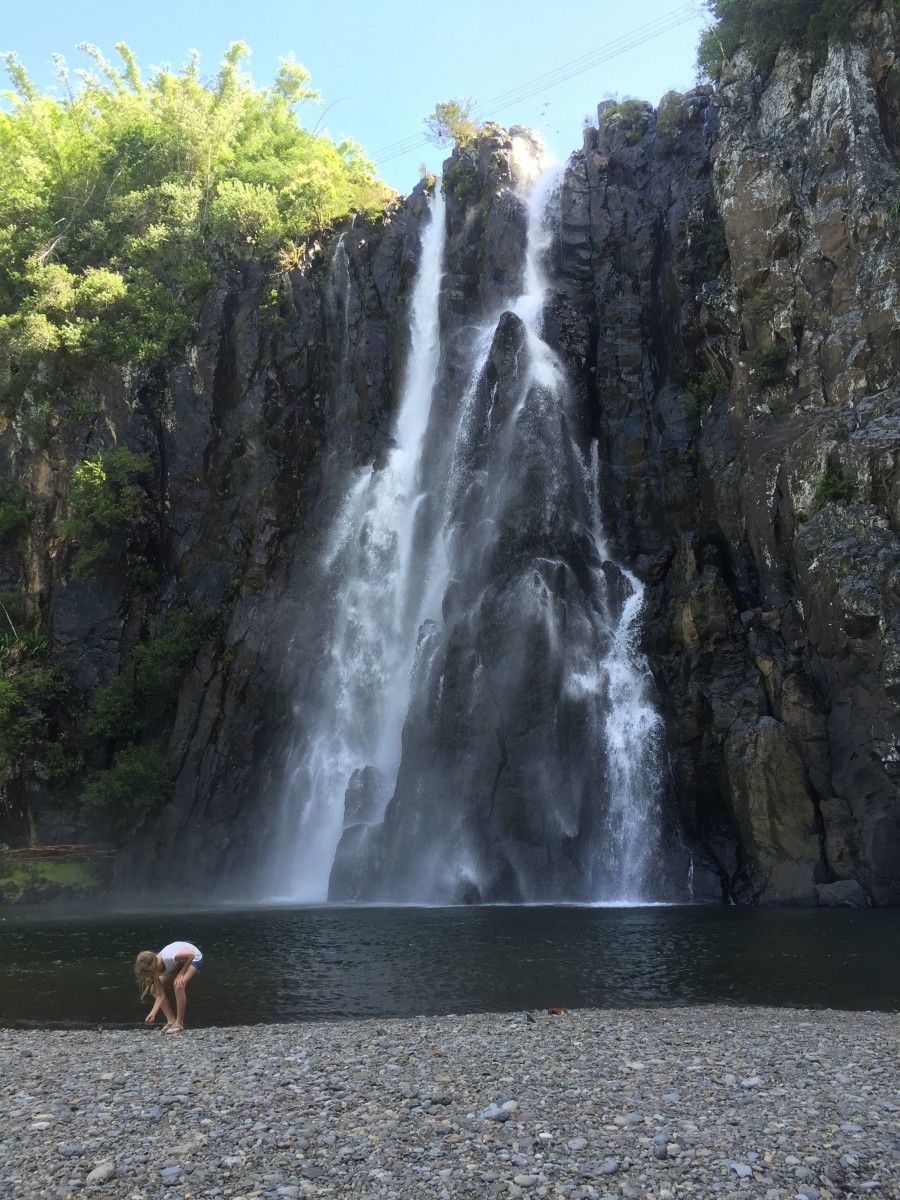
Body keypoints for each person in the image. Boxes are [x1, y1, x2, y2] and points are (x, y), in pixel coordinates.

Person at [134, 940, 203, 1032]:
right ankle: (171, 1021)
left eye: (146, 972)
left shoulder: (170, 957)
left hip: (193, 957)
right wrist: (153, 1013)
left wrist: (180, 974)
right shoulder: (154, 970)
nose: (146, 975)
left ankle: (179, 1024)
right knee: (154, 989)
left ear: (151, 967)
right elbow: (160, 994)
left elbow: (190, 955)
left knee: (179, 984)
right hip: (179, 963)